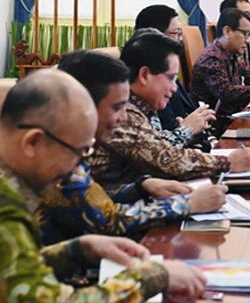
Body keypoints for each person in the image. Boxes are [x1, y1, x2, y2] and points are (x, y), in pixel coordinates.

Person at [0, 69, 206, 302]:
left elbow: (16, 270)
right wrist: (153, 276)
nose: (77, 169)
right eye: (77, 153)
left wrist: (79, 250)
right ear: (33, 142)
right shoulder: (6, 204)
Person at [37, 50, 227, 244]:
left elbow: (89, 198)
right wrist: (186, 204)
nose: (124, 118)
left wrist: (140, 188)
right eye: (116, 108)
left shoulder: (68, 143)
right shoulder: (54, 157)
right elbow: (107, 221)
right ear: (81, 105)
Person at [89, 29, 250, 187]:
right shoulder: (123, 111)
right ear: (144, 75)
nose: (174, 88)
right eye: (170, 78)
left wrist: (190, 135)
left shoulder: (145, 105)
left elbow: (156, 146)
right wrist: (227, 162)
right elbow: (165, 160)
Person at [135, 4, 216, 135]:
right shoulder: (151, 76)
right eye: (177, 33)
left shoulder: (165, 67)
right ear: (156, 35)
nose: (181, 40)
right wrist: (186, 129)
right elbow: (163, 138)